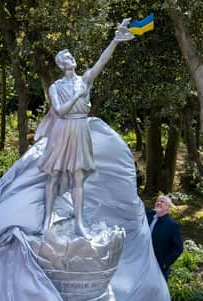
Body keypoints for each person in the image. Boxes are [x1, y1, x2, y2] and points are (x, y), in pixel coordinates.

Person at [39, 20, 134, 237]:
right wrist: (76, 96)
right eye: (67, 59)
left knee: (78, 176)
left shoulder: (85, 80)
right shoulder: (56, 87)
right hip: (62, 130)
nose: (71, 60)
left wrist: (115, 40)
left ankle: (79, 223)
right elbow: (60, 111)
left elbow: (102, 62)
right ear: (62, 65)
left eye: (71, 57)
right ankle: (47, 218)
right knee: (53, 174)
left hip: (81, 128)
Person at [145, 195, 184, 281]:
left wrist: (165, 263)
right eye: (157, 201)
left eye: (162, 202)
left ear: (168, 207)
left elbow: (178, 248)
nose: (158, 203)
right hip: (142, 261)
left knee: (156, 291)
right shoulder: (148, 215)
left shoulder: (172, 225)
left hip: (158, 265)